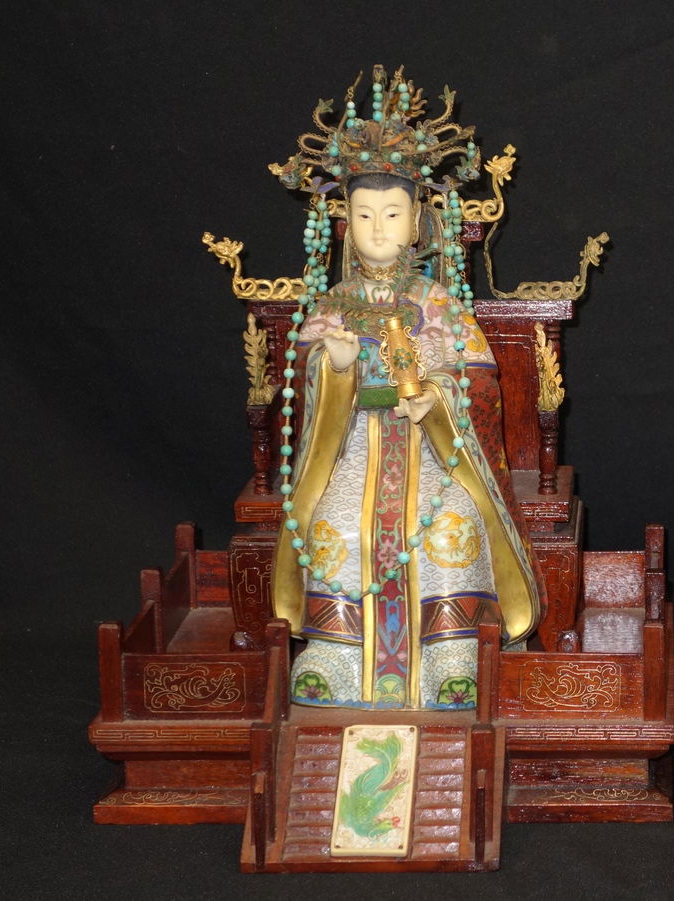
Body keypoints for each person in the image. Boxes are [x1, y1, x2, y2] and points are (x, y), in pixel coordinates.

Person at [271, 67, 541, 710]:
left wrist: (436, 397)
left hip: (433, 450)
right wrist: (334, 366)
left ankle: (451, 651)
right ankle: (336, 652)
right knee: (337, 521)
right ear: (344, 221)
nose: (378, 228)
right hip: (354, 447)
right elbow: (304, 397)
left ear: (417, 220)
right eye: (364, 214)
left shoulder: (438, 303)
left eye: (392, 213)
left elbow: (481, 385)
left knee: (450, 521)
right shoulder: (332, 303)